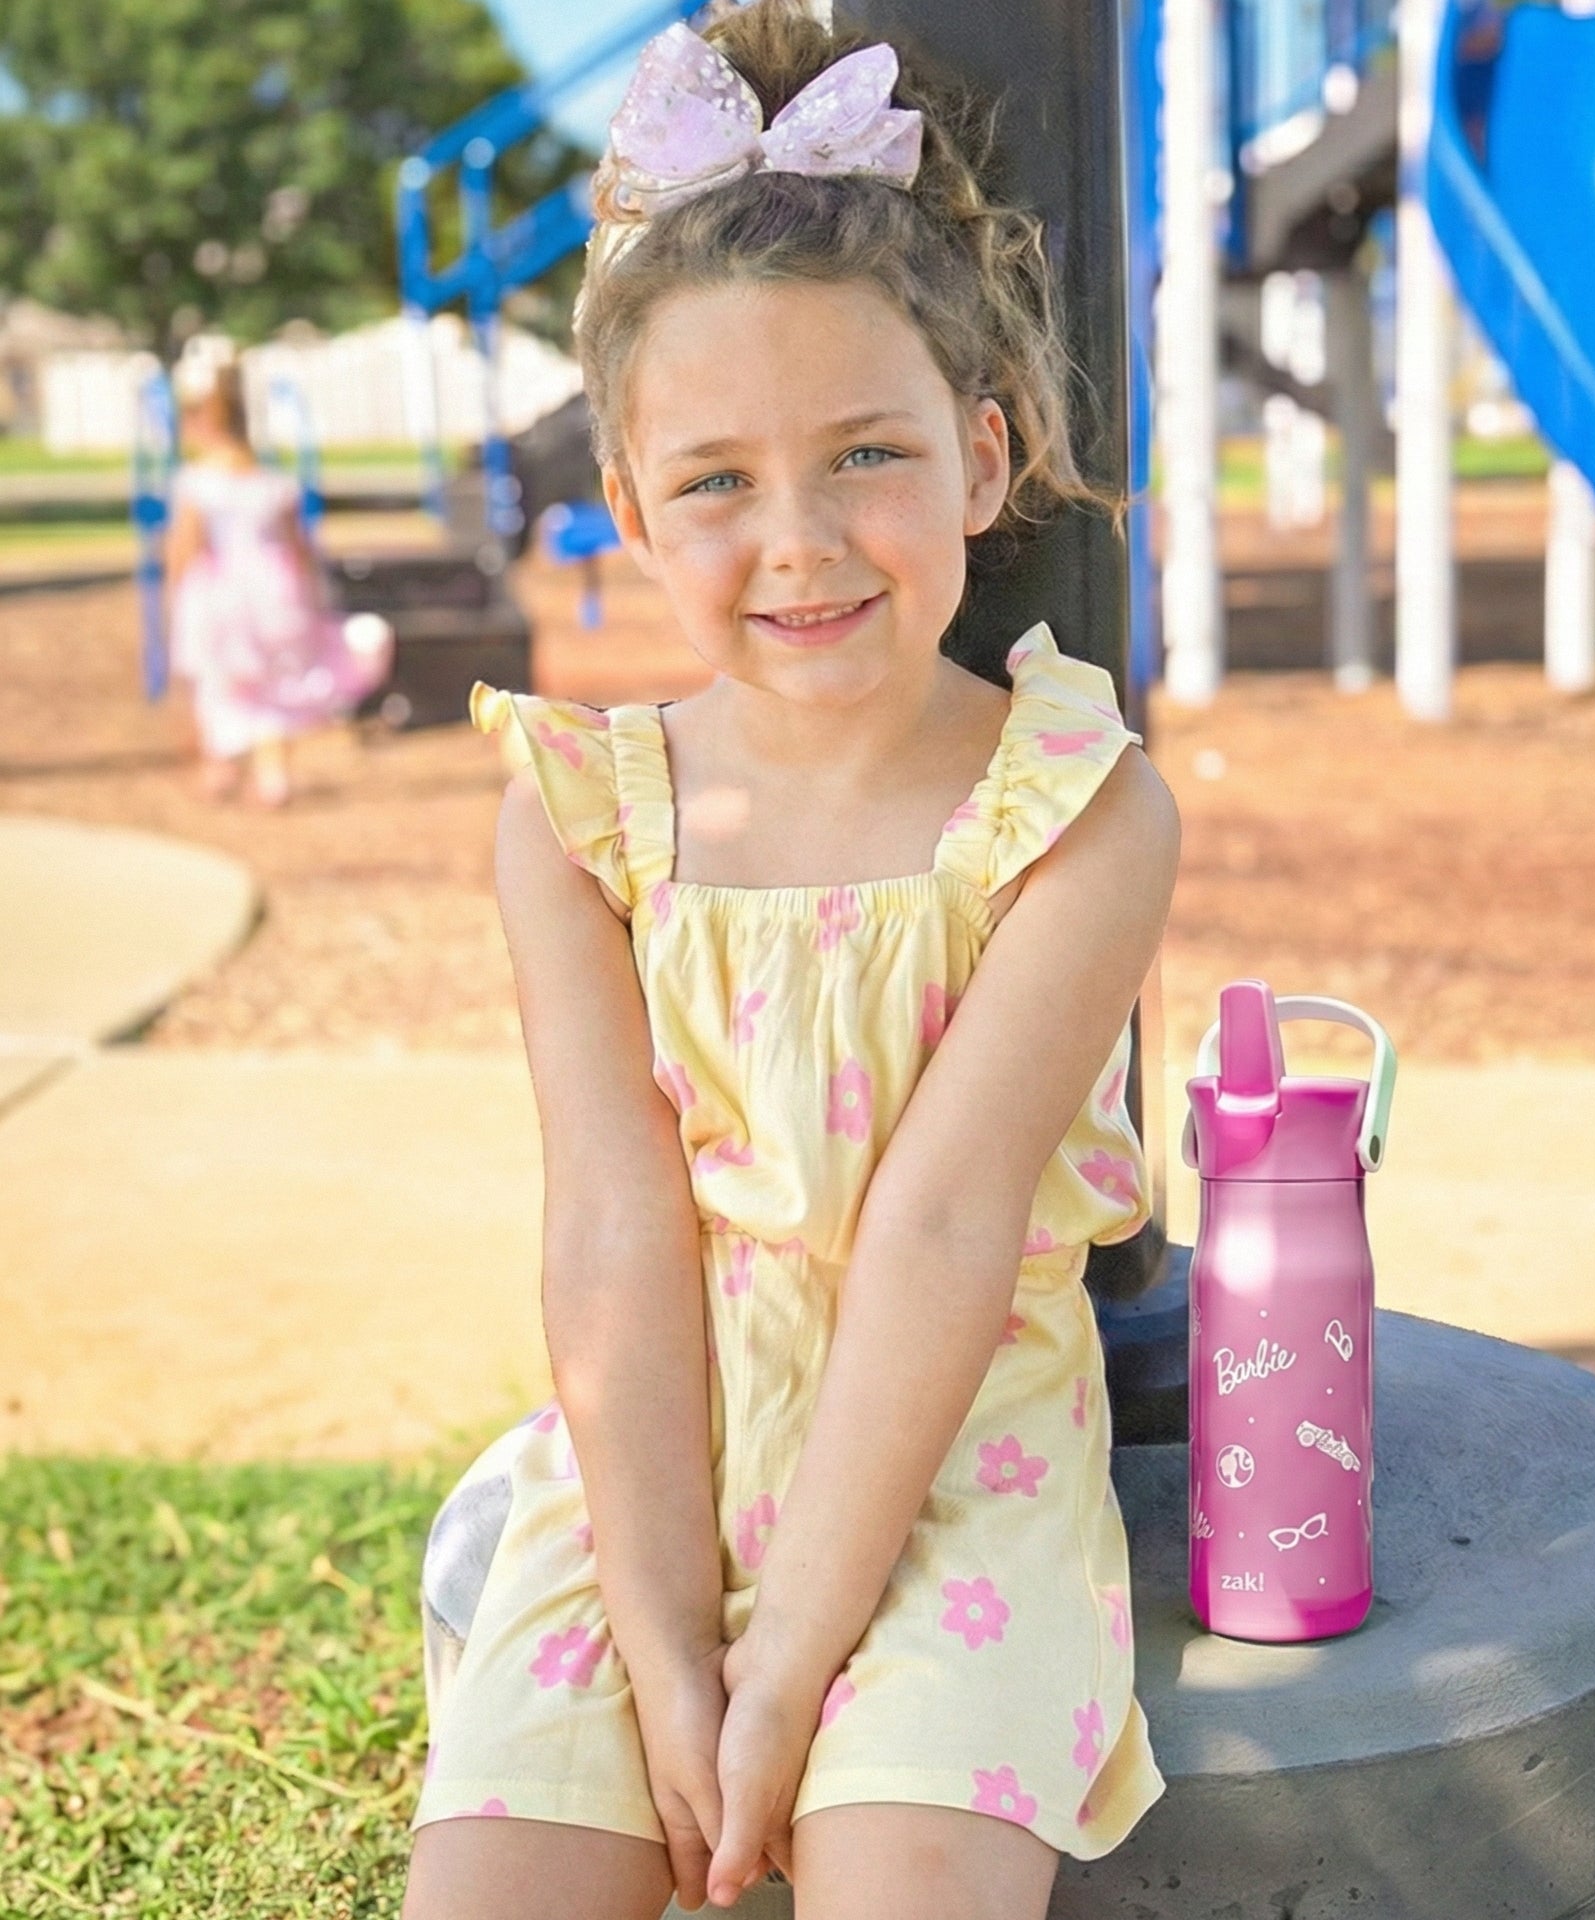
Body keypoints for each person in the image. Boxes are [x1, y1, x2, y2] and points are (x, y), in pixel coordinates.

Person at [402, 7, 1181, 1917]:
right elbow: (613, 1233)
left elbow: (936, 1236)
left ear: (984, 458)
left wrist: (789, 1668)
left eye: (865, 455)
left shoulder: (1071, 806)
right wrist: (673, 1647)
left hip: (949, 1463)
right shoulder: (579, 813)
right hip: (647, 1466)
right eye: (721, 482)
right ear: (632, 496)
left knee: (903, 1878)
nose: (802, 540)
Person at [161, 360, 393, 807]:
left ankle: (222, 763)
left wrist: (175, 596)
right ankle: (274, 773)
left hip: (223, 593)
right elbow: (299, 548)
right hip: (275, 591)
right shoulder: (272, 483)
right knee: (278, 677)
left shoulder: (198, 483)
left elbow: (185, 548)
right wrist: (313, 593)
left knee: (221, 676)